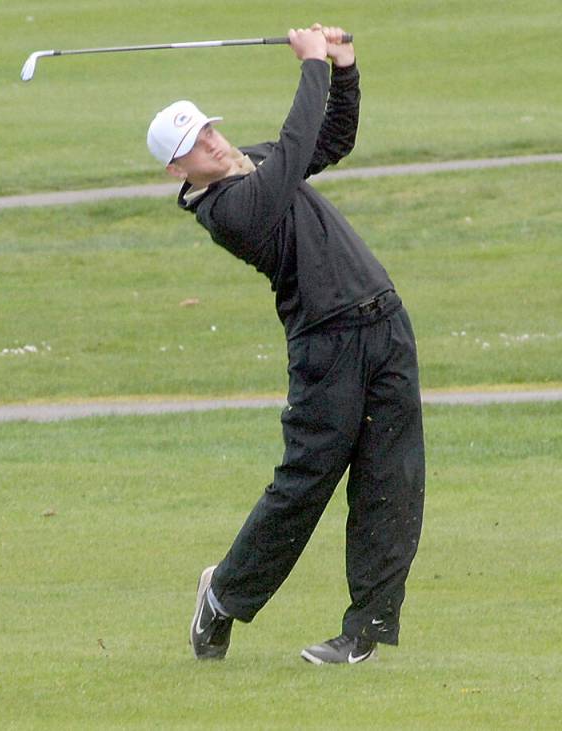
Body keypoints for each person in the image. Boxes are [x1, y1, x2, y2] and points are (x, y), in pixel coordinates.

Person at [146, 25, 425, 664]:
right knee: (304, 486)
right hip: (326, 347)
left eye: (210, 130)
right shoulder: (231, 210)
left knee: (394, 475)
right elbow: (298, 144)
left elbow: (328, 140)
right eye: (197, 144)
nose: (214, 143)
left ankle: (365, 633)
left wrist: (345, 68)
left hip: (385, 324)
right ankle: (222, 595)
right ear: (177, 168)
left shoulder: (246, 163)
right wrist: (312, 66)